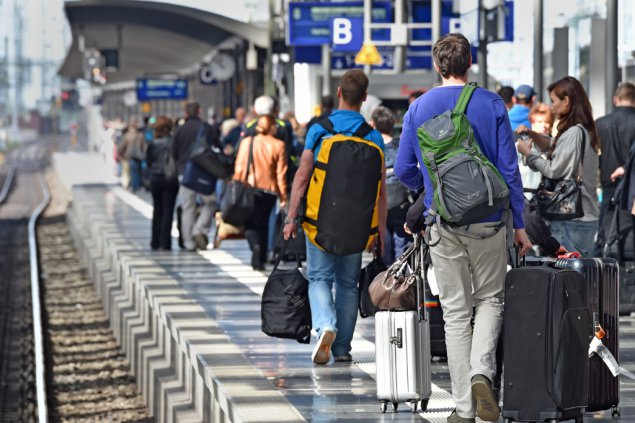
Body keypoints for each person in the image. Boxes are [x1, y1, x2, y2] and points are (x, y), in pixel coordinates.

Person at [394, 33, 531, 423]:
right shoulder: (491, 103)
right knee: (491, 299)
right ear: (469, 63)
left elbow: (404, 169)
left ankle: (463, 408)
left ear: (438, 66)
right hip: (490, 220)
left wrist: (434, 188)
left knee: (456, 312)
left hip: (444, 222)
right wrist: (519, 224)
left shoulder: (418, 108)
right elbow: (509, 170)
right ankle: (482, 373)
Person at [283, 69, 386, 365]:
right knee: (347, 283)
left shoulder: (319, 129)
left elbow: (302, 177)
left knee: (318, 277)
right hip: (357, 226)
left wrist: (291, 217)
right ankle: (342, 349)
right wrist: (378, 230)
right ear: (364, 99)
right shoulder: (373, 136)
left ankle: (325, 324)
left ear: (340, 93)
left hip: (319, 221)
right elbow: (380, 191)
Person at [517, 76, 600, 256]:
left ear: (566, 101)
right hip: (583, 215)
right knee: (579, 275)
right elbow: (552, 145)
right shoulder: (585, 130)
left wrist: (529, 155)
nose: (552, 106)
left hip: (572, 217)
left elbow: (554, 170)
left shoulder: (574, 133)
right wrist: (532, 133)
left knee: (567, 277)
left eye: (553, 101)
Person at [233, 114, 288, 270]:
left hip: (250, 188)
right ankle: (262, 257)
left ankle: (255, 247)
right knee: (264, 223)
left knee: (250, 223)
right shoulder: (279, 145)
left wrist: (237, 184)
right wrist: (283, 196)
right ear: (271, 127)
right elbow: (280, 173)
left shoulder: (246, 142)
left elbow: (240, 166)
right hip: (269, 191)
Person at [172, 101, 222, 251]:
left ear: (186, 113)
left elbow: (174, 152)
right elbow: (217, 147)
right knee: (211, 202)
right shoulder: (206, 128)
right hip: (203, 173)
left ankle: (188, 242)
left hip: (184, 174)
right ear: (199, 111)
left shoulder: (179, 130)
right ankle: (199, 229)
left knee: (188, 207)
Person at [595, 82, 635, 250]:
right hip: (632, 188)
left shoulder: (600, 123)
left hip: (608, 185)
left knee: (607, 234)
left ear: (615, 99)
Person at [370, 106, 412, 265]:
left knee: (383, 245)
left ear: (373, 124)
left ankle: (384, 282)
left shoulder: (371, 147)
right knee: (402, 243)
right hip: (401, 202)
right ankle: (401, 281)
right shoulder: (400, 146)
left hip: (379, 203)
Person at [145, 116, 179, 250]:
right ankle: (165, 242)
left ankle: (155, 241)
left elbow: (148, 161)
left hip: (155, 179)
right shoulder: (173, 142)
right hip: (170, 179)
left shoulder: (153, 143)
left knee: (157, 210)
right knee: (168, 210)